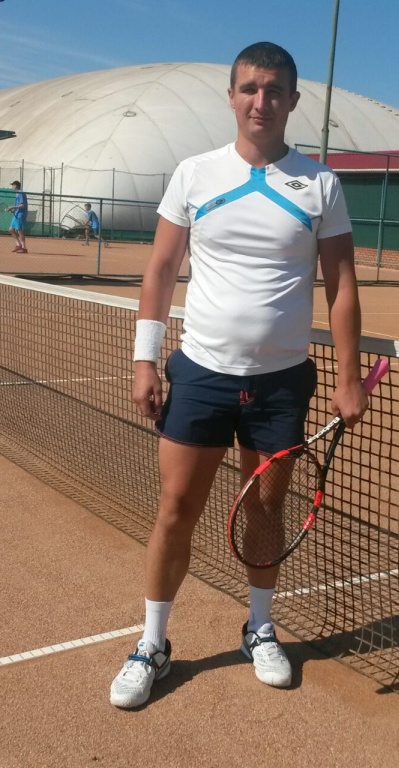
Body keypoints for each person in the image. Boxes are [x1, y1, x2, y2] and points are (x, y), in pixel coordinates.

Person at [110, 41, 368, 709]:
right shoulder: (194, 174)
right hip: (200, 376)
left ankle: (259, 626)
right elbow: (160, 269)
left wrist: (347, 378)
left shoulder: (320, 184)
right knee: (175, 510)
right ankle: (152, 643)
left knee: (267, 509)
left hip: (280, 386)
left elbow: (341, 284)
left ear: (292, 100)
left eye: (274, 90)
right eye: (250, 88)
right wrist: (144, 359)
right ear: (231, 96)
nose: (262, 101)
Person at [8, 180, 28, 254]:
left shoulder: (20, 193)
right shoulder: (17, 194)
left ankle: (24, 247)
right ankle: (18, 245)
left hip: (21, 214)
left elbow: (23, 205)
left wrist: (13, 207)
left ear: (16, 186)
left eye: (13, 185)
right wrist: (13, 210)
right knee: (11, 229)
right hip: (16, 214)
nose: (12, 187)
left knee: (20, 230)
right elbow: (18, 205)